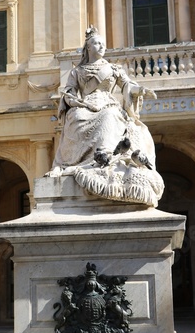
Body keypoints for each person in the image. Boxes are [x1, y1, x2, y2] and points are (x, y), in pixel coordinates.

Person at [47, 26, 164, 206]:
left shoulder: (113, 69)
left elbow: (127, 86)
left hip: (107, 104)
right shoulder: (77, 71)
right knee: (76, 116)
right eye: (96, 43)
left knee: (109, 115)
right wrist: (75, 102)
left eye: (103, 44)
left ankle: (108, 159)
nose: (101, 47)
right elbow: (69, 93)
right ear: (88, 48)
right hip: (85, 105)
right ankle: (84, 162)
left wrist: (140, 90)